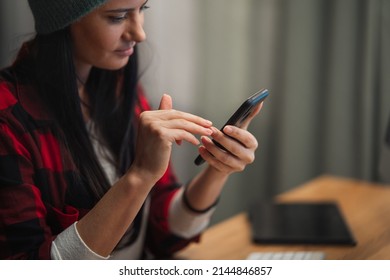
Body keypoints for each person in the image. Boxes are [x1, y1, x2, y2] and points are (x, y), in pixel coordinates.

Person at [0, 0, 263, 259]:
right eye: (117, 17)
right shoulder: (8, 118)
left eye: (142, 9)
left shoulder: (121, 90)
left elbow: (164, 234)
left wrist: (218, 167)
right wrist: (141, 175)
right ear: (63, 22)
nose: (139, 33)